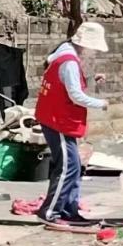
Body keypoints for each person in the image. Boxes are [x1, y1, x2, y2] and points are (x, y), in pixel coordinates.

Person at [35, 22, 110, 225]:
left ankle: (69, 209)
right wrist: (100, 103)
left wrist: (90, 79)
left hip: (57, 117)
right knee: (67, 167)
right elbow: (75, 95)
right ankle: (50, 211)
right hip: (58, 119)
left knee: (74, 166)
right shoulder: (68, 61)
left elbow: (69, 83)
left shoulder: (63, 53)